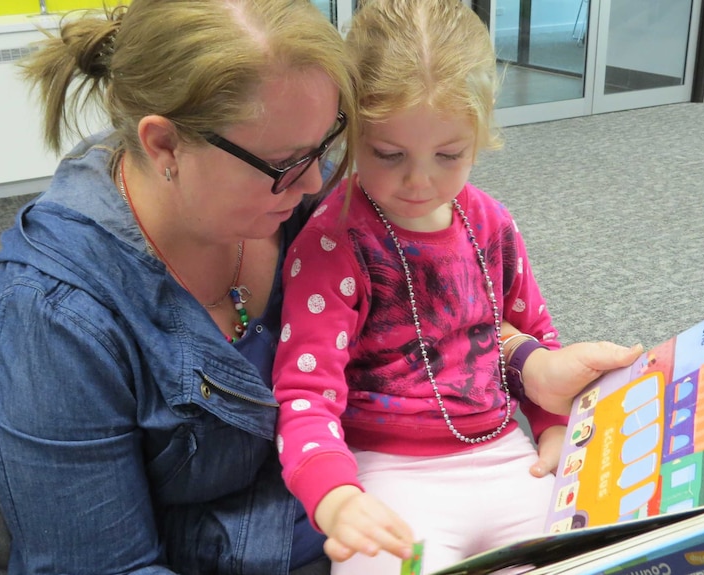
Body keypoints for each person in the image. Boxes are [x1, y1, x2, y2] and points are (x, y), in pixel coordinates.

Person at [0, 1, 357, 573]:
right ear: (164, 145)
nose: (318, 181)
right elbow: (105, 565)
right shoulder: (51, 319)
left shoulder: (297, 201)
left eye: (326, 143)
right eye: (286, 162)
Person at [271, 1, 642, 573]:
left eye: (450, 154)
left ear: (480, 133)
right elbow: (304, 394)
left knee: (600, 556)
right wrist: (335, 497)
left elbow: (538, 339)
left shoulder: (489, 222)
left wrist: (550, 424)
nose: (419, 181)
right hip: (388, 471)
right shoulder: (331, 242)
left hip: (504, 453)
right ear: (350, 130)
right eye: (387, 154)